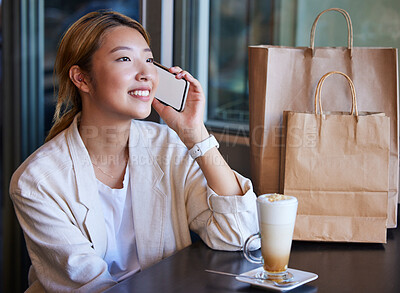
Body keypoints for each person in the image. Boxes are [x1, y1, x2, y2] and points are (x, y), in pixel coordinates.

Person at [9, 10, 258, 292]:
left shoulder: (167, 146)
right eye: (125, 59)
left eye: (149, 60)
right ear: (82, 79)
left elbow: (240, 236)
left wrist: (196, 134)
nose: (146, 74)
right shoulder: (37, 181)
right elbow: (92, 287)